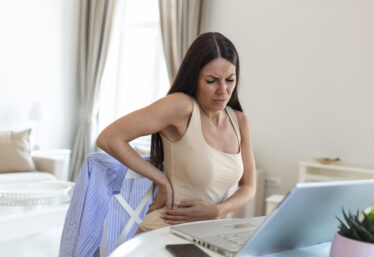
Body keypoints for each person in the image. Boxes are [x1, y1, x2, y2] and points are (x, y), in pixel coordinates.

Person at [96, 32, 256, 233]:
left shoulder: (239, 121)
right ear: (194, 78)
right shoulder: (182, 107)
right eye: (211, 80)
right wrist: (160, 179)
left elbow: (249, 186)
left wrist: (217, 210)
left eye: (230, 79)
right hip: (164, 232)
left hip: (208, 236)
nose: (223, 90)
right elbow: (109, 138)